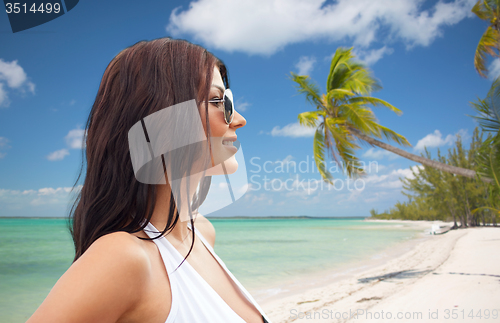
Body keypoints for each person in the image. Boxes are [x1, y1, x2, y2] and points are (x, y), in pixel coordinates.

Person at [27, 38, 271, 323]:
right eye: (218, 101)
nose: (238, 119)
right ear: (162, 119)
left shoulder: (202, 232)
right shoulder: (123, 257)